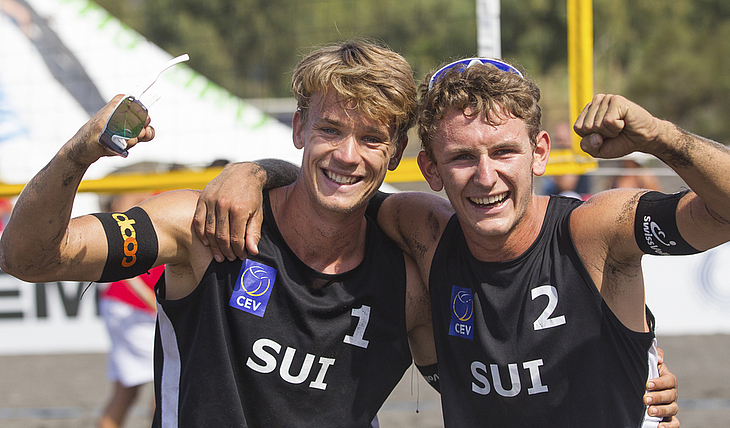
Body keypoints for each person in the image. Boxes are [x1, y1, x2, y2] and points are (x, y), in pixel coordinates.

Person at [192, 60, 689, 426]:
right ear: (430, 169)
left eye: (502, 151)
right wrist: (254, 172)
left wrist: (661, 138)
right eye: (461, 157)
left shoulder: (591, 230)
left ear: (539, 154)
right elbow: (337, 191)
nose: (485, 177)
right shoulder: (425, 231)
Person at [0, 41, 437, 427]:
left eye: (371, 138)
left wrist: (255, 170)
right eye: (330, 129)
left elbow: (488, 395)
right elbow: (28, 259)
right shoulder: (200, 227)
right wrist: (77, 154)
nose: (347, 154)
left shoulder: (407, 285)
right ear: (300, 128)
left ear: (397, 151)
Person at [98, 188, 161, 428]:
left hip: (133, 305)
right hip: (133, 306)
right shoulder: (145, 191)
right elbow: (119, 221)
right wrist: (148, 298)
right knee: (164, 386)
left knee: (127, 391)